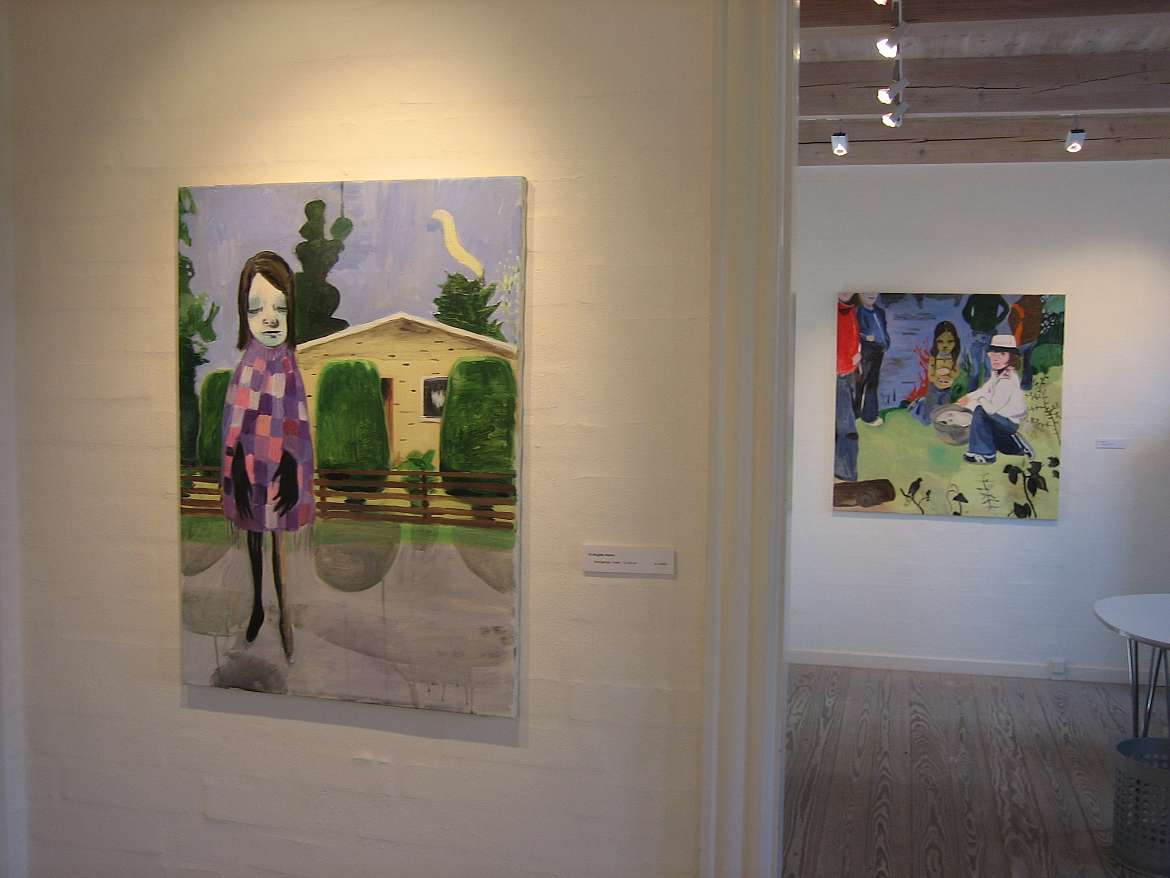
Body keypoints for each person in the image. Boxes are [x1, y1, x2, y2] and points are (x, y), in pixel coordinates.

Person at [220, 251, 315, 660]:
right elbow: (235, 425)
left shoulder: (289, 367)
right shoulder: (246, 367)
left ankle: (284, 615)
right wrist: (238, 472)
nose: (270, 319)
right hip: (250, 470)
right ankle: (258, 608)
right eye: (257, 309)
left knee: (277, 543)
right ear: (245, 315)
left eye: (279, 308)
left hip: (280, 470)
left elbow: (296, 423)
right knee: (254, 538)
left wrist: (292, 466)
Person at [958, 334, 1033, 464]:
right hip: (1001, 419)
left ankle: (985, 454)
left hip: (1008, 422)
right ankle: (1017, 447)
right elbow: (985, 389)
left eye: (1002, 354)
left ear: (1011, 357)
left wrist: (978, 400)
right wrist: (967, 398)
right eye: (993, 354)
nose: (996, 358)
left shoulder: (1006, 380)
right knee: (997, 440)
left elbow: (991, 409)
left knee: (980, 412)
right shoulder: (998, 373)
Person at [911, 321, 961, 426]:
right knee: (928, 410)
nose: (945, 345)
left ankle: (941, 422)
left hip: (947, 388)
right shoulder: (934, 357)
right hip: (934, 387)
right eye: (940, 342)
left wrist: (949, 374)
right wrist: (937, 379)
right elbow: (930, 376)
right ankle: (920, 407)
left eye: (950, 341)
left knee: (944, 408)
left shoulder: (954, 358)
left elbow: (956, 373)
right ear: (935, 342)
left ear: (955, 342)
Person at [835, 292, 861, 481]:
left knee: (844, 426)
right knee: (847, 430)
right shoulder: (834, 310)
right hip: (839, 375)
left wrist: (856, 355)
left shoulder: (849, 310)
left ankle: (843, 471)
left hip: (848, 373)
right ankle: (845, 473)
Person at [853, 292, 889, 426]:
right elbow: (854, 332)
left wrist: (886, 342)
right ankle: (859, 414)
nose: (871, 294)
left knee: (872, 382)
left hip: (878, 350)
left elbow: (883, 329)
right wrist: (865, 337)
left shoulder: (880, 312)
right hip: (865, 350)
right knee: (860, 382)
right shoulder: (858, 311)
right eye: (866, 292)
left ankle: (868, 414)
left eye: (874, 292)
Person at [961, 294, 1009, 387]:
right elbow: (1006, 308)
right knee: (983, 366)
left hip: (983, 331)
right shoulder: (992, 296)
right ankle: (981, 389)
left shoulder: (978, 296)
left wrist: (973, 322)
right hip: (984, 331)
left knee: (982, 366)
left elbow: (965, 312)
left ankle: (981, 389)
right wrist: (995, 321)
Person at [1009, 295, 1044, 391]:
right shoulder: (1038, 304)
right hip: (1032, 338)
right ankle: (1026, 385)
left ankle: (1011, 385)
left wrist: (1015, 332)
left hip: (1021, 339)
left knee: (1012, 362)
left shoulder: (1018, 306)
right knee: (1027, 362)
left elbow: (1011, 321)